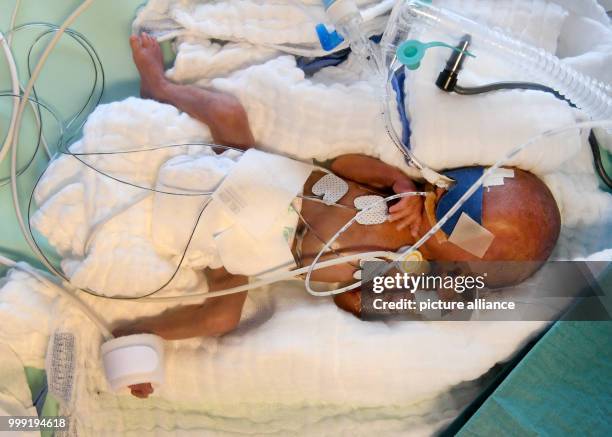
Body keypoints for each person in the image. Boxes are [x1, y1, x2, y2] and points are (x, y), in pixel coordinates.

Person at [116, 34, 561, 398]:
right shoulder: (398, 188)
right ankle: (160, 86)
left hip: (245, 253)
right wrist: (396, 182)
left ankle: (140, 335)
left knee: (219, 319)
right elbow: (342, 164)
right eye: (459, 190)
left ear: (464, 265)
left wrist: (394, 282)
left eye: (463, 223)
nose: (446, 201)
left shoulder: (412, 273)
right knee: (228, 112)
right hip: (255, 171)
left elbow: (346, 298)